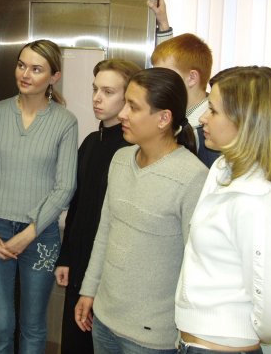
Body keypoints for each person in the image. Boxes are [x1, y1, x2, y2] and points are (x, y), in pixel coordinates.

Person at [75, 67, 208, 354]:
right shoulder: (121, 159)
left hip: (152, 336)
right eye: (125, 103)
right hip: (104, 320)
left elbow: (197, 265)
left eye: (133, 107)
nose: (122, 114)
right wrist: (89, 289)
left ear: (163, 118)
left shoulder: (192, 177)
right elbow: (105, 231)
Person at [175, 66, 271, 353]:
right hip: (193, 342)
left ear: (246, 122)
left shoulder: (257, 200)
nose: (203, 118)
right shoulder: (223, 168)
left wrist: (236, 330)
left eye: (213, 110)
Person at [0, 39, 78, 354]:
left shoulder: (65, 122)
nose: (25, 74)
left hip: (40, 236)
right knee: (0, 327)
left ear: (54, 77)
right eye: (21, 65)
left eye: (36, 69)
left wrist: (29, 233)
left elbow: (65, 186)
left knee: (33, 327)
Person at [55, 58, 142, 354]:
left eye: (108, 91)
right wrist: (66, 257)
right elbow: (77, 206)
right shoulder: (91, 142)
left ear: (128, 97)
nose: (97, 98)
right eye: (95, 89)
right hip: (80, 262)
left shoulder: (134, 150)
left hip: (110, 270)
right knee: (74, 342)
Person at [151, 33, 220, 167]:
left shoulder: (207, 135)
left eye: (164, 75)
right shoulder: (174, 119)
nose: (155, 83)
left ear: (192, 78)